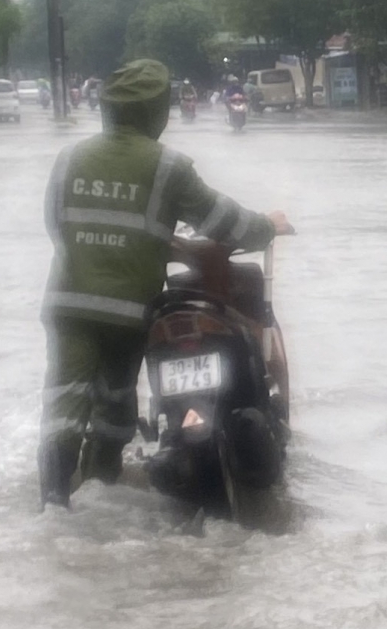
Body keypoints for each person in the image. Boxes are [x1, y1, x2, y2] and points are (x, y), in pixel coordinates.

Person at [38, 58, 290, 509]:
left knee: (63, 402)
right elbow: (224, 221)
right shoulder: (167, 166)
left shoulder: (69, 157)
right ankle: (104, 488)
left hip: (68, 304)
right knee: (116, 408)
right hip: (130, 310)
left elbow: (57, 226)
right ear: (159, 111)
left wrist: (132, 246)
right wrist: (268, 226)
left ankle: (54, 503)